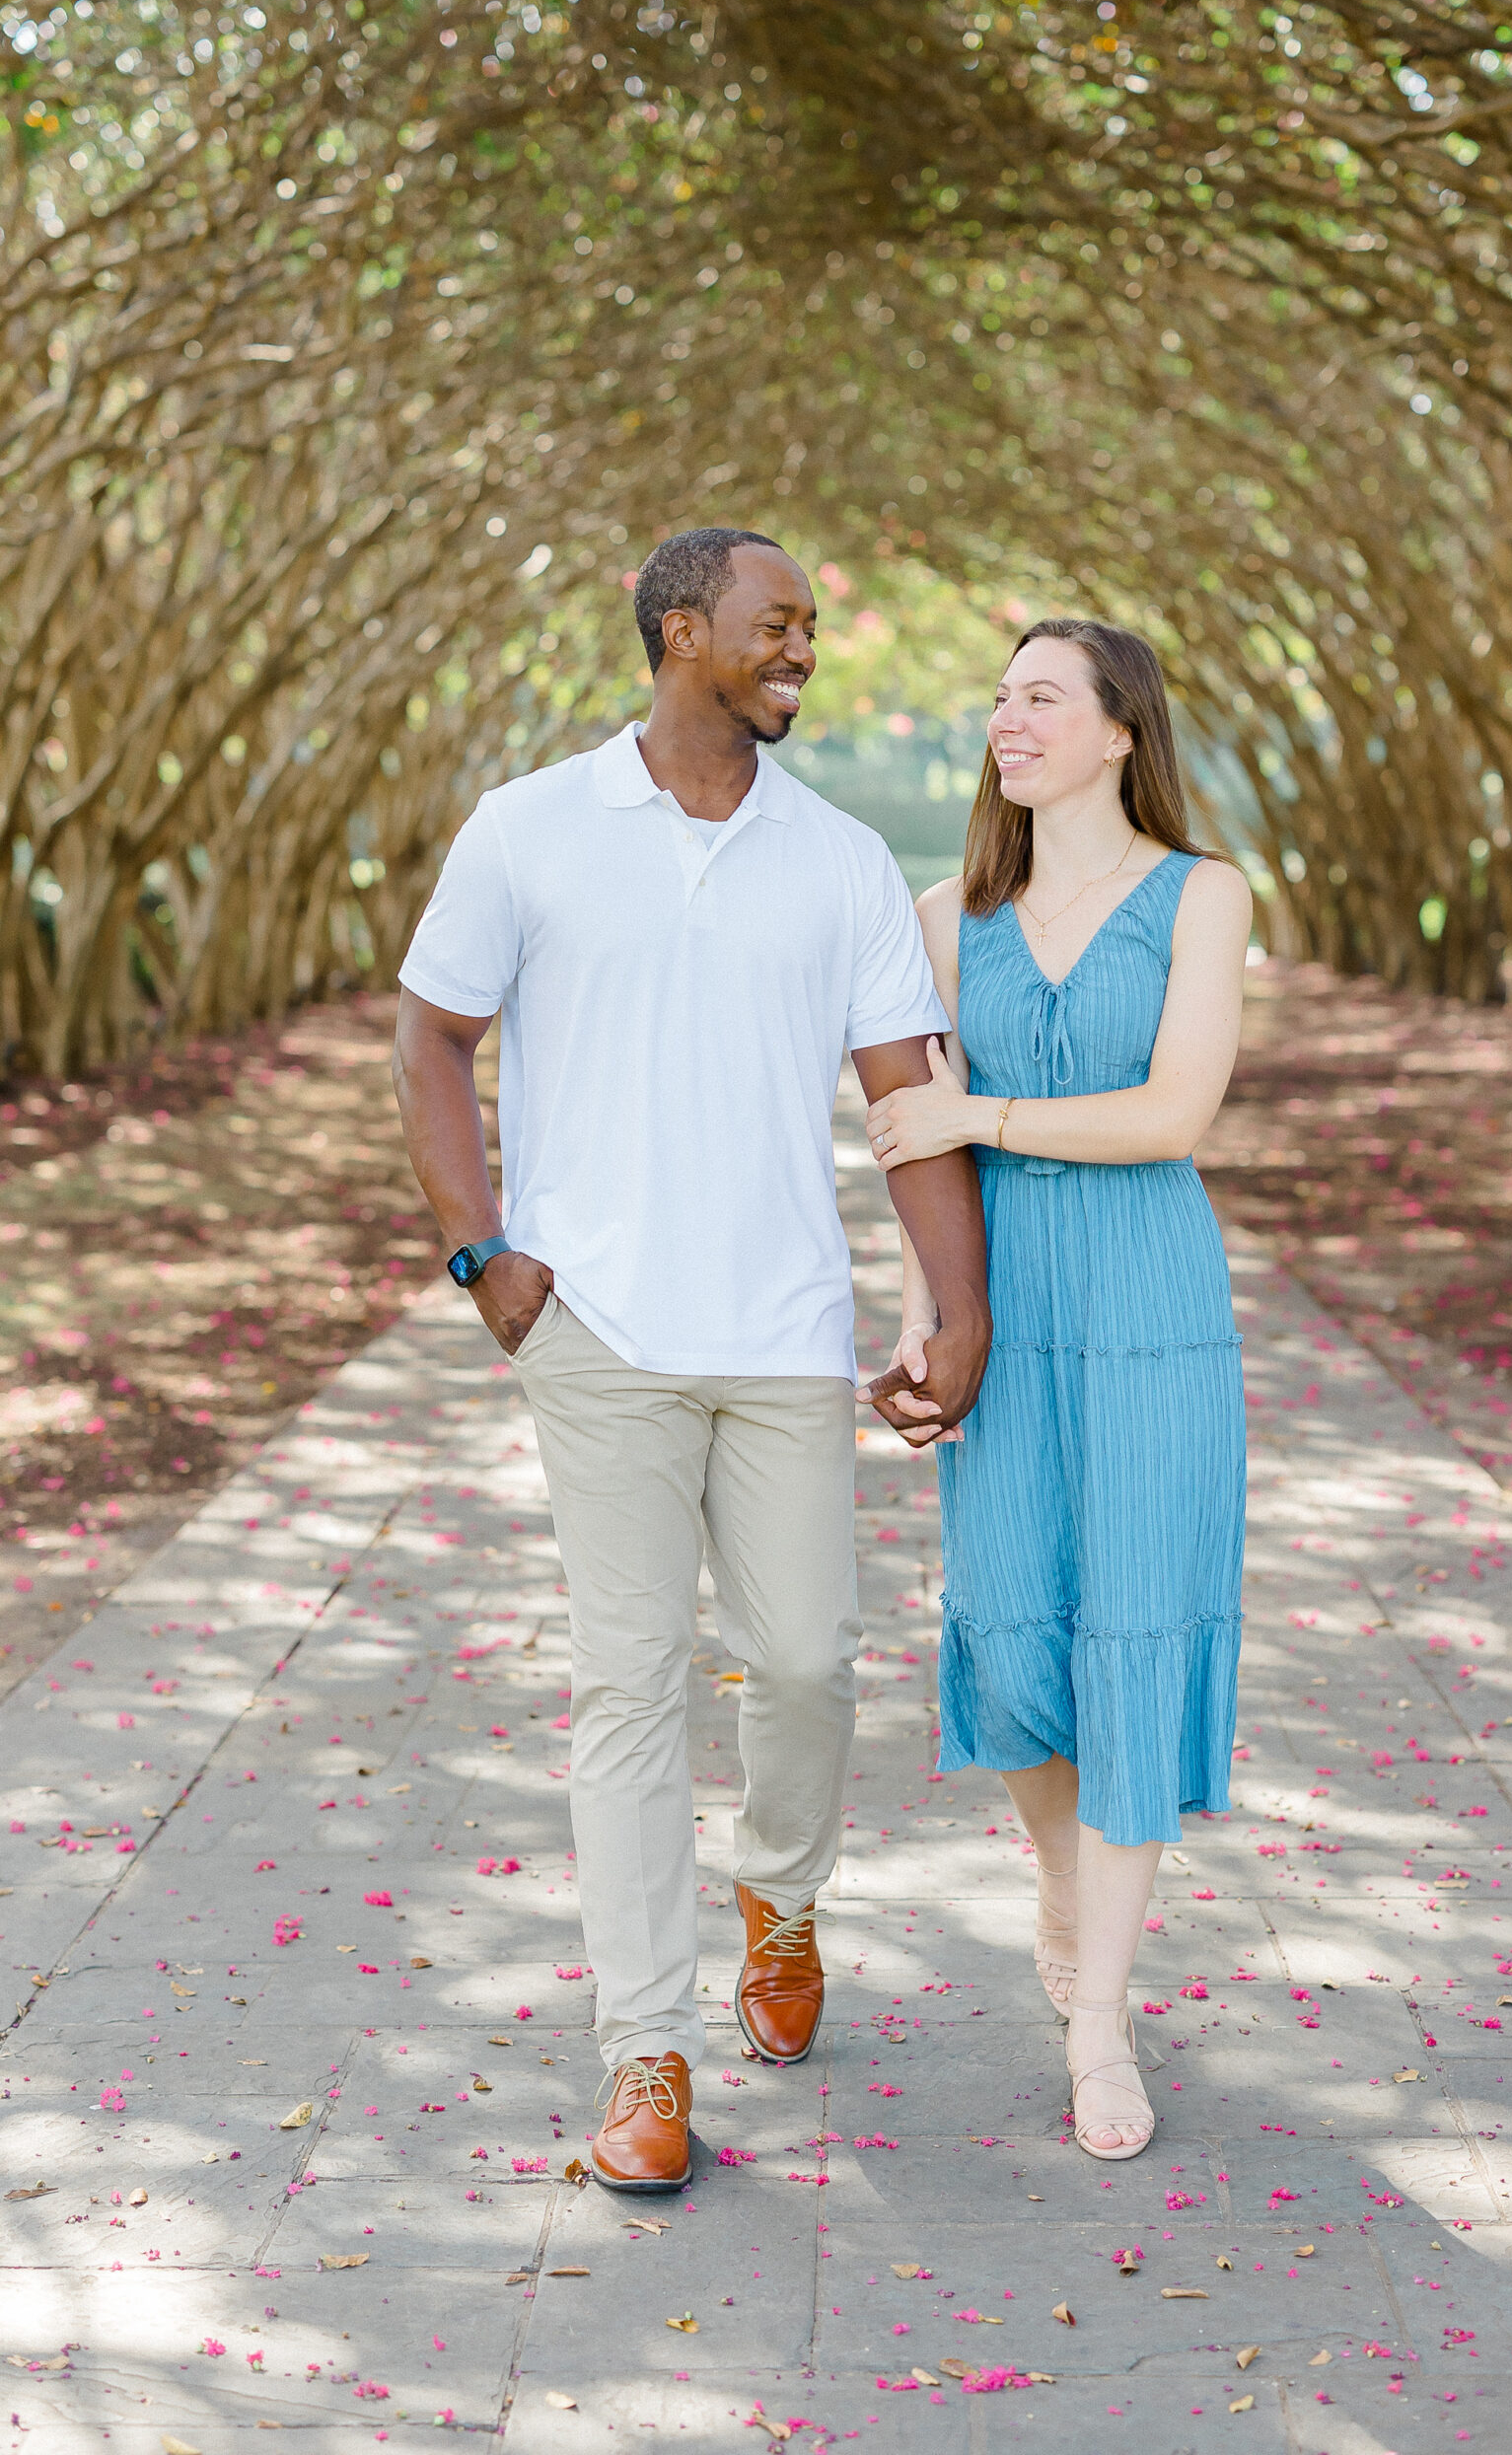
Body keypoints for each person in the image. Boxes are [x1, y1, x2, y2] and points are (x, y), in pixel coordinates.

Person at [391, 529, 988, 2195]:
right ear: (679, 633)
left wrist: (959, 1303)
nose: (803, 650)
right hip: (599, 1333)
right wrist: (483, 1254)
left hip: (785, 1332)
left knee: (808, 1667)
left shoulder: (842, 859)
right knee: (629, 1685)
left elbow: (905, 1094)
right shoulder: (531, 828)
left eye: (810, 627)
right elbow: (432, 1035)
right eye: (773, 624)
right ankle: (643, 2052)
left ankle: (782, 1903)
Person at [856, 617, 1252, 2162]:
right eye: (999, 698)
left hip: (1154, 1307)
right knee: (1017, 1653)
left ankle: (1100, 2024)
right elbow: (924, 1157)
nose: (1006, 720)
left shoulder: (1201, 895)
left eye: (1039, 697)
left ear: (1113, 730)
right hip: (1008, 1315)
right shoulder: (948, 915)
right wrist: (925, 1331)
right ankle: (1060, 1877)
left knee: (1135, 1640)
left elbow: (1173, 1111)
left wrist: (986, 1105)